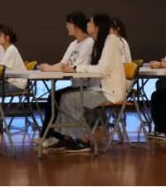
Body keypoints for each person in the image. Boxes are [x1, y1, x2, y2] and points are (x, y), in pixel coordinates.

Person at [48, 14, 126, 153]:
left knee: (70, 99)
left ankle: (83, 140)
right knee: (65, 97)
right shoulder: (98, 42)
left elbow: (101, 70)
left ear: (98, 27)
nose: (87, 24)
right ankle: (68, 137)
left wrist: (76, 68)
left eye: (90, 23)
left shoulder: (111, 41)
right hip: (98, 88)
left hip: (110, 92)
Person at [36, 11, 94, 146]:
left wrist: (50, 68)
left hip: (85, 86)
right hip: (75, 85)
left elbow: (72, 67)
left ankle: (53, 136)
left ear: (77, 25)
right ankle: (49, 135)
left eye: (69, 24)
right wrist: (49, 67)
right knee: (54, 96)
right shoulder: (74, 44)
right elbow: (63, 64)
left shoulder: (89, 43)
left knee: (57, 97)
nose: (67, 26)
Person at [0, 26, 28, 94]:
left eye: (0, 35)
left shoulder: (11, 49)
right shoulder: (3, 50)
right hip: (9, 82)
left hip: (17, 85)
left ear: (7, 37)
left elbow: (0, 69)